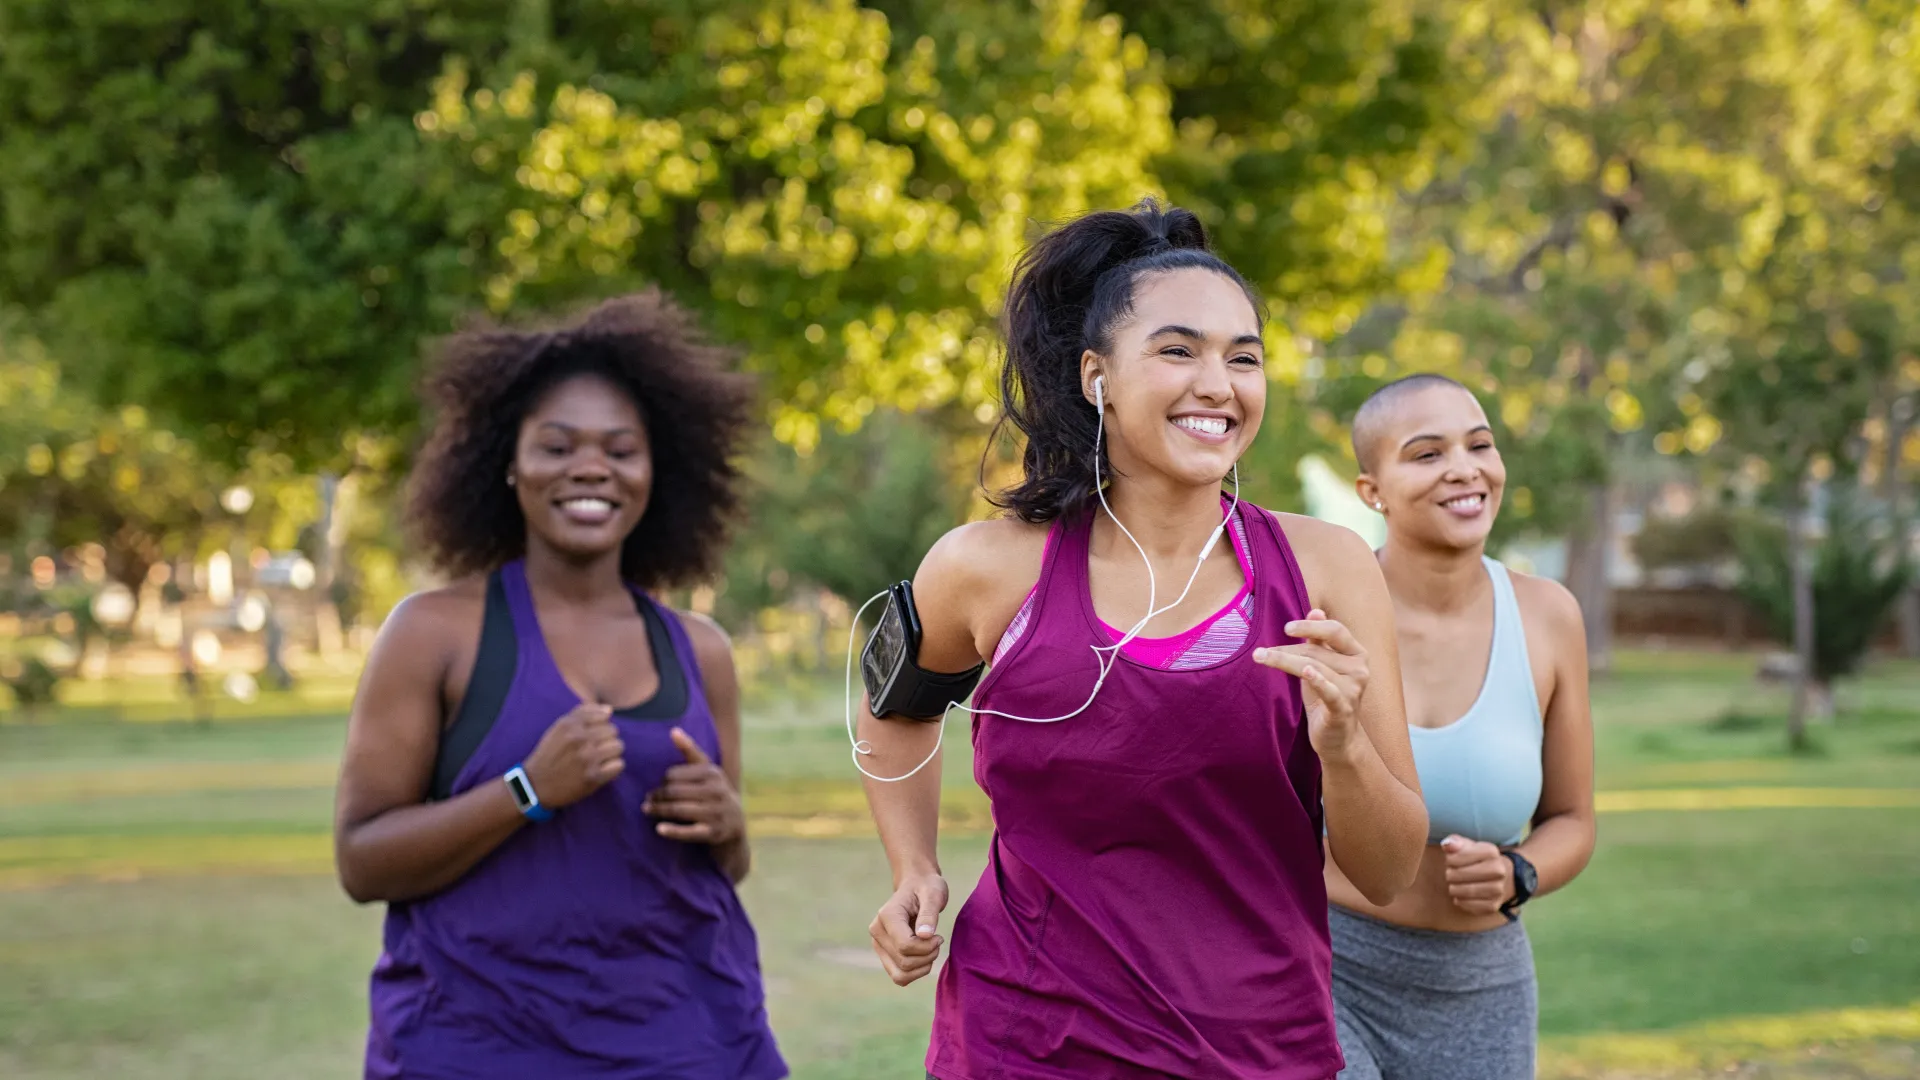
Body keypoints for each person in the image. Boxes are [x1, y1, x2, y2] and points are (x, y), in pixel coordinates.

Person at [854, 200, 1429, 1080]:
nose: (1219, 383)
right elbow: (894, 705)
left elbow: (1387, 874)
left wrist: (1345, 749)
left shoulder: (1328, 571)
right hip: (1025, 1042)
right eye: (1178, 350)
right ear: (1097, 377)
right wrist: (911, 867)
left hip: (1256, 1047)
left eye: (1245, 357)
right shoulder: (985, 569)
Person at [331, 291, 786, 1080]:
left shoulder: (699, 650)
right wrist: (527, 789)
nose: (590, 468)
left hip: (693, 1043)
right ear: (506, 463)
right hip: (476, 1047)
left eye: (620, 449)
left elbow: (728, 865)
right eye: (557, 445)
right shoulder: (433, 634)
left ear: (655, 471)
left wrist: (729, 824)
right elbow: (363, 862)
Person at [1328, 373, 1597, 1080]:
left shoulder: (1549, 615)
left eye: (1480, 445)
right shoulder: (1326, 616)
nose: (1464, 468)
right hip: (1327, 969)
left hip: (1483, 986)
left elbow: (1573, 818)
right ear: (1372, 491)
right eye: (1426, 454)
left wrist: (1520, 871)